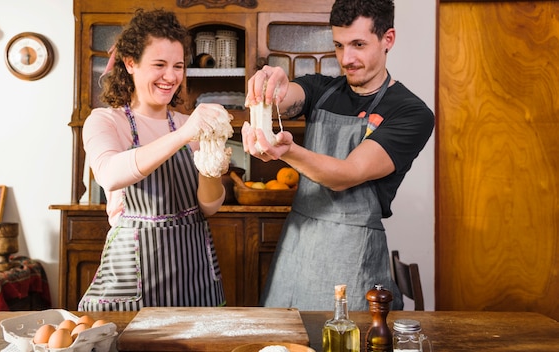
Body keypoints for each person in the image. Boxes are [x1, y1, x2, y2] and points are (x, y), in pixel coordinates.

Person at [242, 0, 434, 311]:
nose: (346, 59)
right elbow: (289, 97)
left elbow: (347, 174)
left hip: (352, 254)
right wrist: (273, 86)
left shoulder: (411, 113)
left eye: (358, 45)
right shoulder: (322, 89)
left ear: (388, 39)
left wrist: (287, 151)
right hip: (297, 244)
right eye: (339, 45)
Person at [79, 8, 230, 311]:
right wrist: (184, 134)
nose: (171, 76)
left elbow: (209, 207)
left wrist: (213, 165)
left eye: (178, 66)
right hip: (133, 280)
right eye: (159, 64)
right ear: (130, 63)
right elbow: (109, 173)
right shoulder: (106, 121)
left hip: (194, 274)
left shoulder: (190, 123)